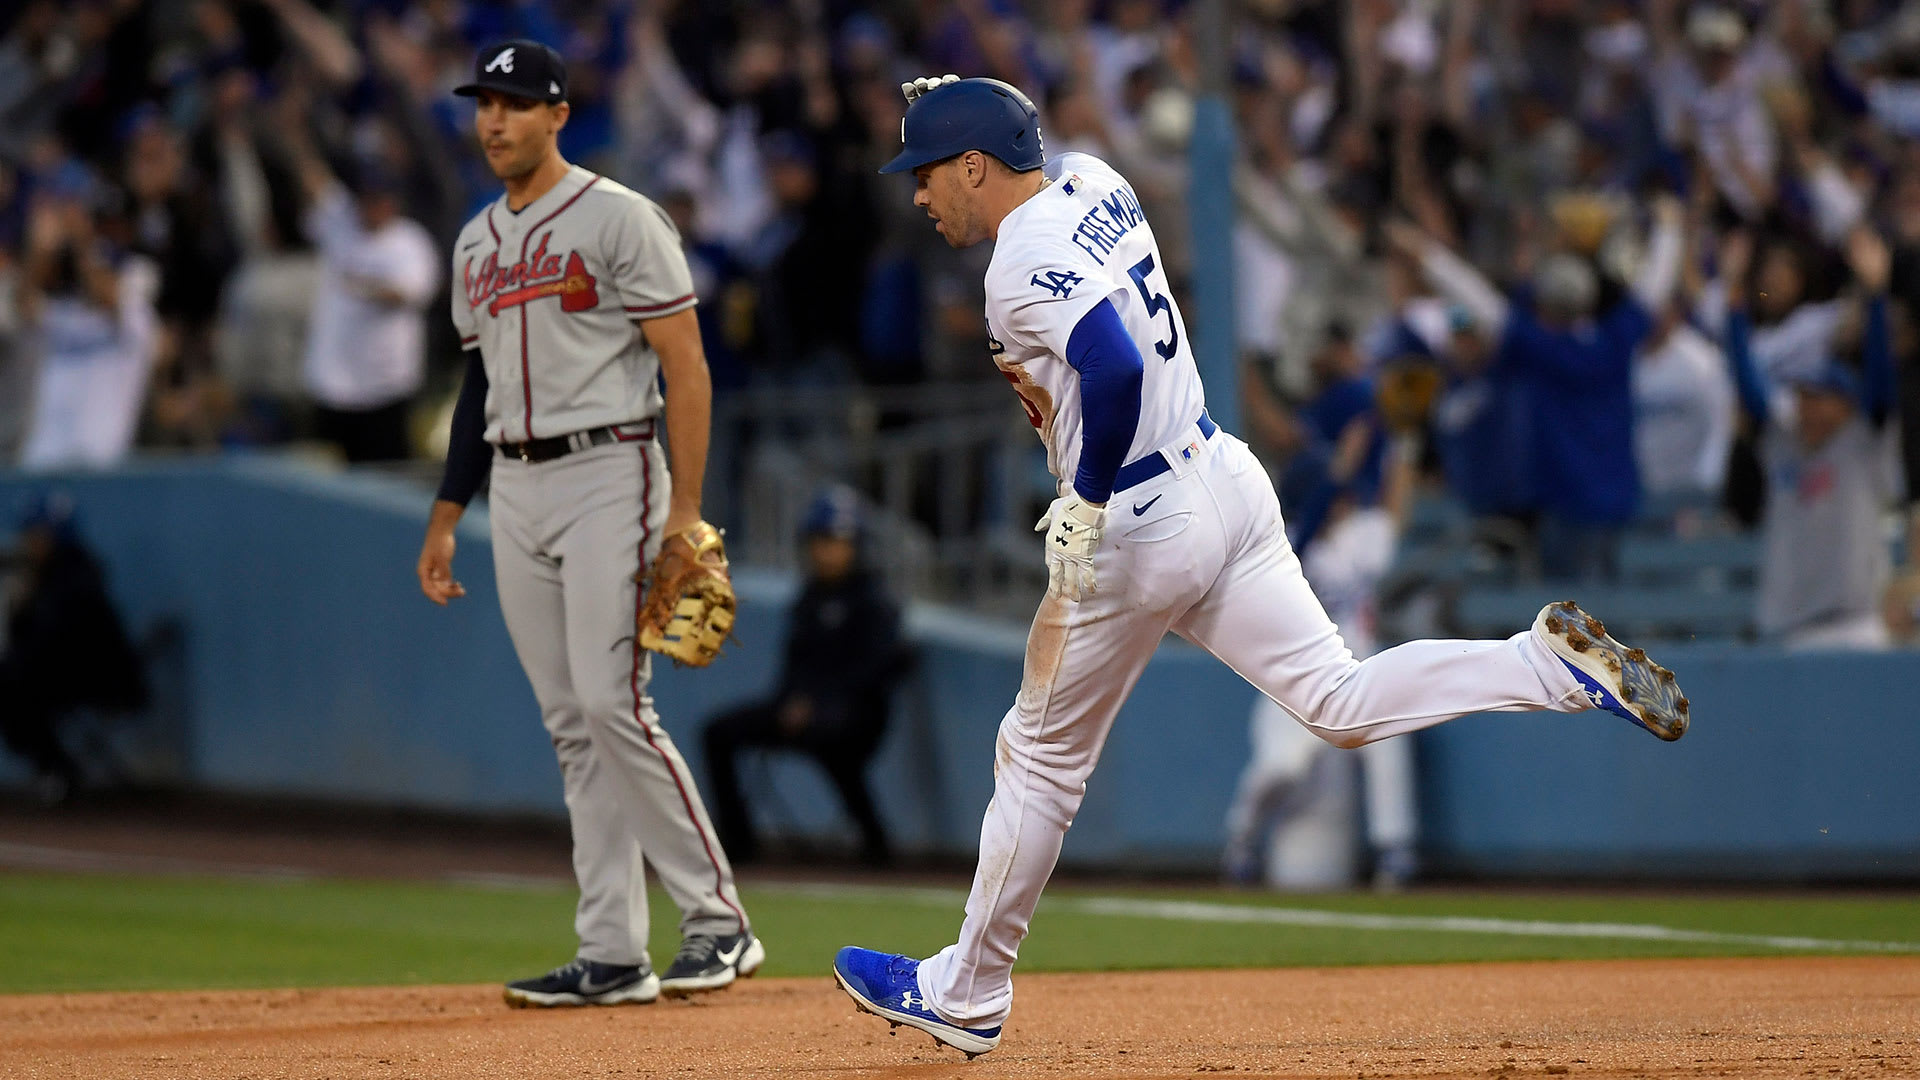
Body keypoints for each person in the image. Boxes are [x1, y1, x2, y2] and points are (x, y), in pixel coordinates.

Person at [831, 75, 1691, 1060]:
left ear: (977, 165)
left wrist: (1087, 499)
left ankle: (970, 991)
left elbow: (1108, 365)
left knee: (1039, 756)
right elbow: (1053, 181)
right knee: (1337, 697)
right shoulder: (1093, 179)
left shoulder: (1015, 265)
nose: (918, 191)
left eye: (929, 168)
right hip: (1224, 478)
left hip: (1139, 520)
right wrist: (981, 101)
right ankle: (1544, 668)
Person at [414, 40, 761, 1009]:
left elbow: (686, 366)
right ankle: (611, 950)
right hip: (515, 487)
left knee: (615, 705)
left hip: (613, 466)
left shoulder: (618, 217)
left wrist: (684, 510)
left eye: (515, 104)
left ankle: (719, 922)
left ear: (558, 114)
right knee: (573, 725)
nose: (495, 121)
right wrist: (448, 511)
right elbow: (477, 379)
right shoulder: (476, 242)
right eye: (484, 104)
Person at [1388, 198, 1684, 581]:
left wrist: (1425, 254)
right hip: (1619, 501)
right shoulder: (1614, 341)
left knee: (1565, 623)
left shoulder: (1540, 346)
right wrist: (1670, 229)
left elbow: (1481, 302)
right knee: (1607, 616)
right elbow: (1653, 289)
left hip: (1564, 506)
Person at [702, 487, 906, 866]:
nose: (826, 551)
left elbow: (880, 668)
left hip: (856, 717)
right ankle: (739, 840)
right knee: (717, 732)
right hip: (797, 707)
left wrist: (820, 703)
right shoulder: (808, 598)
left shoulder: (874, 601)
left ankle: (876, 845)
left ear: (855, 546)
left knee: (837, 747)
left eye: (837, 542)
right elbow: (794, 665)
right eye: (820, 541)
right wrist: (792, 700)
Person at [1721, 227, 1899, 649]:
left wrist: (1876, 297)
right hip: (1787, 628)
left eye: (1821, 397)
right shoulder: (1782, 440)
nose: (1809, 406)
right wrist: (1733, 298)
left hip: (1855, 625)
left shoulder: (1863, 440)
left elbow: (1880, 377)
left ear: (1845, 403)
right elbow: (1746, 382)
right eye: (1804, 396)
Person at [288, 130, 440, 463]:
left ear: (393, 200)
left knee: (383, 477)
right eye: (366, 197)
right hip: (332, 383)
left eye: (379, 197)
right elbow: (314, 182)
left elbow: (410, 292)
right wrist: (295, 133)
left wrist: (366, 286)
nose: (371, 205)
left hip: (383, 388)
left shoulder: (410, 242)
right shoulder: (341, 224)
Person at [0, 493, 147, 804]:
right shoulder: (56, 575)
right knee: (13, 681)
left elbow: (49, 645)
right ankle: (53, 769)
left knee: (14, 685)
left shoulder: (73, 579)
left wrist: (23, 612)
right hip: (72, 676)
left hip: (101, 681)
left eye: (36, 534)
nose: (30, 542)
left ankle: (57, 771)